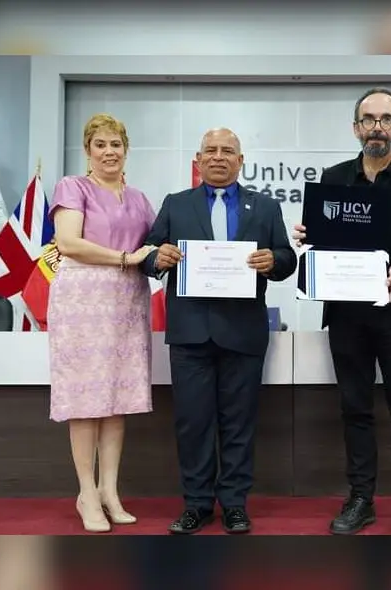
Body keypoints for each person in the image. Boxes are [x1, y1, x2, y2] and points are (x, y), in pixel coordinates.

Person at [292, 87, 391, 535]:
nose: (377, 126)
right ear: (356, 127)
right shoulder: (334, 177)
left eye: (386, 119)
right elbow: (326, 242)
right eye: (369, 119)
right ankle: (360, 498)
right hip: (347, 313)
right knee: (354, 408)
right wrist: (309, 237)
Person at [140, 127, 297, 535]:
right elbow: (146, 254)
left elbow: (287, 258)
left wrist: (272, 261)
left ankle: (234, 504)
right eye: (211, 151)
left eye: (228, 151)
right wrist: (161, 256)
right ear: (198, 159)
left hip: (243, 333)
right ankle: (196, 504)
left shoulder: (264, 207)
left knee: (238, 423)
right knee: (192, 423)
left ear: (240, 161)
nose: (218, 157)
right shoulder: (176, 204)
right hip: (190, 333)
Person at [47, 113, 158, 533]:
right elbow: (68, 243)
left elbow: (156, 243)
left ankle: (110, 491)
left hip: (128, 299)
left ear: (126, 149)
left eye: (116, 144)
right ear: (88, 151)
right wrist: (125, 259)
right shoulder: (73, 187)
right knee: (86, 398)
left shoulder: (140, 198)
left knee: (118, 398)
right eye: (101, 145)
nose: (109, 152)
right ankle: (86, 493)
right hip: (84, 297)